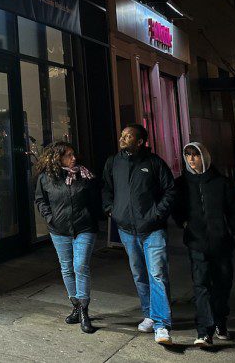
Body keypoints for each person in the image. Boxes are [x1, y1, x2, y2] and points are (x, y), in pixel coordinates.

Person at [102, 123, 176, 345]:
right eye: (122, 134)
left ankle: (162, 324)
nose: (122, 138)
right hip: (126, 230)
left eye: (128, 136)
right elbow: (106, 188)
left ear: (141, 141)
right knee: (139, 275)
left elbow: (170, 191)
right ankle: (149, 314)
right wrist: (111, 209)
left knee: (157, 274)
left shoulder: (154, 163)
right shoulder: (114, 162)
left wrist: (156, 215)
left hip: (153, 230)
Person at [172, 142, 235, 347]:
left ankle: (221, 321)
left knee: (222, 285)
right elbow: (176, 208)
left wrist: (228, 230)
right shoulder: (182, 184)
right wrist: (184, 224)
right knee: (201, 286)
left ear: (204, 156)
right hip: (196, 244)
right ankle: (204, 331)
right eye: (187, 156)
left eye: (195, 155)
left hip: (222, 244)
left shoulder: (222, 183)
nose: (191, 160)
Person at [34, 141, 102, 333]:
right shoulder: (46, 178)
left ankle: (84, 311)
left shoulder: (84, 174)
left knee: (80, 266)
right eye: (68, 155)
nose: (74, 158)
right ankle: (76, 305)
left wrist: (94, 215)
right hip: (59, 230)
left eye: (74, 154)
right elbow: (40, 199)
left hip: (84, 227)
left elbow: (95, 198)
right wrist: (50, 218)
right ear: (57, 158)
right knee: (66, 267)